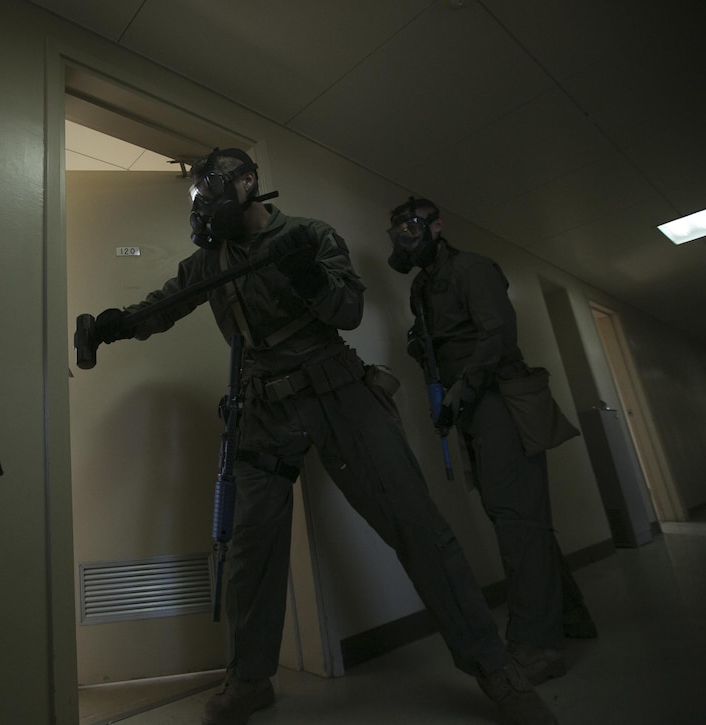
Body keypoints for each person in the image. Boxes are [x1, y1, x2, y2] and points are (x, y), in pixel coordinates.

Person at [84, 148, 558, 725]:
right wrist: (115, 325)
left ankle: (495, 670)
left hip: (338, 394)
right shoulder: (209, 264)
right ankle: (249, 680)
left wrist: (307, 276)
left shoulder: (309, 234)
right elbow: (165, 306)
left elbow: (350, 310)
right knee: (251, 551)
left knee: (417, 525)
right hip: (262, 408)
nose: (205, 204)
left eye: (212, 189)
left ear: (249, 182)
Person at [385, 196, 598, 686]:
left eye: (414, 224)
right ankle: (571, 617)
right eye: (397, 228)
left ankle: (537, 645)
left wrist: (461, 391)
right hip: (470, 409)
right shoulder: (421, 287)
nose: (405, 235)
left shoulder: (473, 268)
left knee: (517, 520)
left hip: (498, 397)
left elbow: (498, 335)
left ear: (438, 225)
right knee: (518, 517)